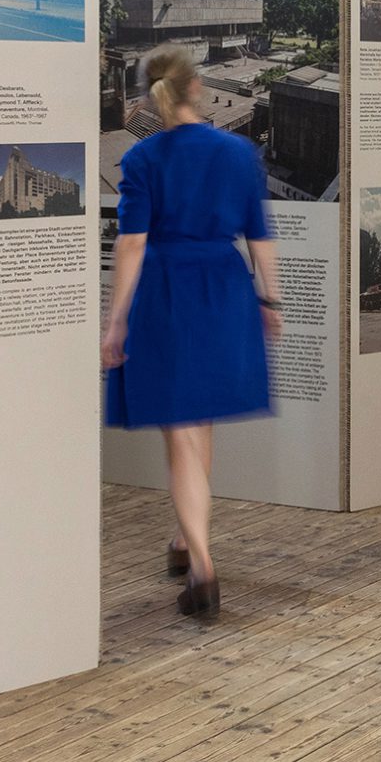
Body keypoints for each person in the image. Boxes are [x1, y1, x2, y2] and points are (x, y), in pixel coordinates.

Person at [102, 47, 283, 618]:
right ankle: (184, 537)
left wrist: (115, 322)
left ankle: (202, 565)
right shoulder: (237, 153)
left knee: (181, 429)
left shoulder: (143, 158)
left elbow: (131, 243)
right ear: (197, 87)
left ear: (149, 97)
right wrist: (269, 299)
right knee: (198, 425)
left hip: (168, 295)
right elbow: (260, 235)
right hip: (225, 290)